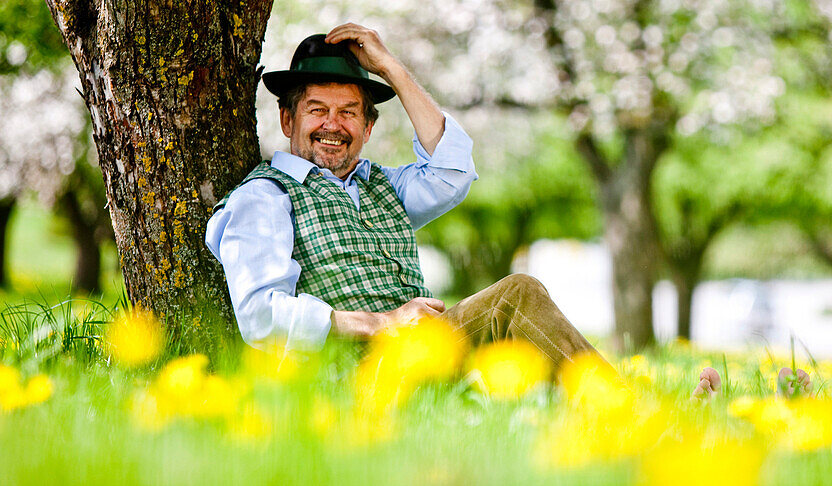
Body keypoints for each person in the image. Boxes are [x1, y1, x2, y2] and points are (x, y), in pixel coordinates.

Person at [206, 24, 626, 379]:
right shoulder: (263, 197)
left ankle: (617, 419)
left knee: (519, 325)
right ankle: (632, 415)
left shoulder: (383, 187)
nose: (332, 125)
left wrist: (391, 69)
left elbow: (452, 171)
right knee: (516, 294)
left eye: (349, 112)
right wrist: (382, 323)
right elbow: (262, 316)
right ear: (287, 120)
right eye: (317, 110)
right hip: (355, 379)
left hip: (420, 359)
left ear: (368, 127)